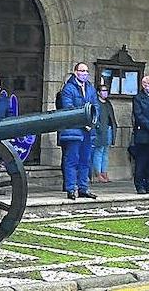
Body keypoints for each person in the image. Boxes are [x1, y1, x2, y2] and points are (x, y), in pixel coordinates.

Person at [57, 62, 98, 200]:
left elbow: (95, 107)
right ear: (75, 72)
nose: (85, 73)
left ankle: (83, 188)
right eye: (82, 71)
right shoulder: (68, 88)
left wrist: (91, 122)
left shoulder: (91, 88)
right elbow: (69, 108)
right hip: (73, 130)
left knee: (85, 160)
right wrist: (83, 122)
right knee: (72, 160)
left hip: (88, 131)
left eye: (86, 71)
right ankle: (70, 188)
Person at [91, 83, 119, 183]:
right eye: (103, 91)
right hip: (99, 130)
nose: (105, 93)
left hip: (108, 129)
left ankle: (104, 172)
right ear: (98, 92)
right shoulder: (96, 103)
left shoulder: (108, 103)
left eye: (106, 91)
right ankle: (97, 173)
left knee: (106, 152)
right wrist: (97, 126)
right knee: (99, 151)